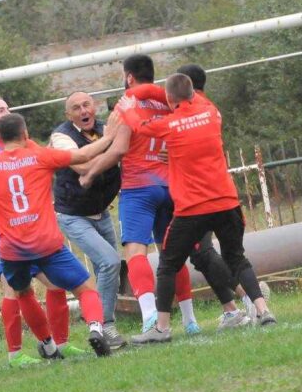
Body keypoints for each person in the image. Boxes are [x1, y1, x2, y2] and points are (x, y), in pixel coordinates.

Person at [102, 73, 278, 344]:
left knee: (168, 264)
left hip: (193, 208)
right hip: (226, 202)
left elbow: (140, 126)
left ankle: (161, 327)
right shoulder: (211, 112)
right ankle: (263, 311)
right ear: (194, 93)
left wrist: (128, 101)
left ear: (169, 97)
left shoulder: (169, 125)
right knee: (236, 258)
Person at [0, 113, 118, 358]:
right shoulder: (39, 156)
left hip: (12, 248)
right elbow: (83, 155)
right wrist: (108, 137)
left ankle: (48, 346)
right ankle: (96, 329)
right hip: (46, 242)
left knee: (23, 292)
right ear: (25, 134)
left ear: (1, 137)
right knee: (86, 288)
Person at [79, 54, 200, 336]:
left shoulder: (128, 104)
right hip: (169, 185)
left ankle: (149, 318)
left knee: (135, 252)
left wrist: (90, 173)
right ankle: (190, 320)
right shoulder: (168, 101)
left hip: (139, 187)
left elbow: (119, 149)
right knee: (171, 254)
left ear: (129, 77)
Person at [0, 98, 76, 367]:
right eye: (1, 110)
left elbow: (43, 158)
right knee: (14, 288)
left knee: (55, 284)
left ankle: (58, 345)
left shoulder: (25, 143)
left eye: (8, 108)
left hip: (24, 226)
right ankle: (15, 355)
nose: (8, 112)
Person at [177, 63, 266, 325]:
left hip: (200, 197)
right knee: (212, 254)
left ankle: (248, 299)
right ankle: (237, 308)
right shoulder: (210, 108)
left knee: (204, 252)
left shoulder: (193, 111)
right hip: (221, 194)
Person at [49, 92, 126, 350]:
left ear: (94, 107)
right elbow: (81, 166)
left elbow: (126, 151)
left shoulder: (105, 128)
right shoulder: (60, 137)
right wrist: (111, 145)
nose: (83, 111)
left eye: (86, 105)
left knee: (109, 268)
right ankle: (103, 326)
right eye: (76, 108)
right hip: (73, 215)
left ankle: (103, 326)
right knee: (110, 262)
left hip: (101, 211)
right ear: (68, 115)